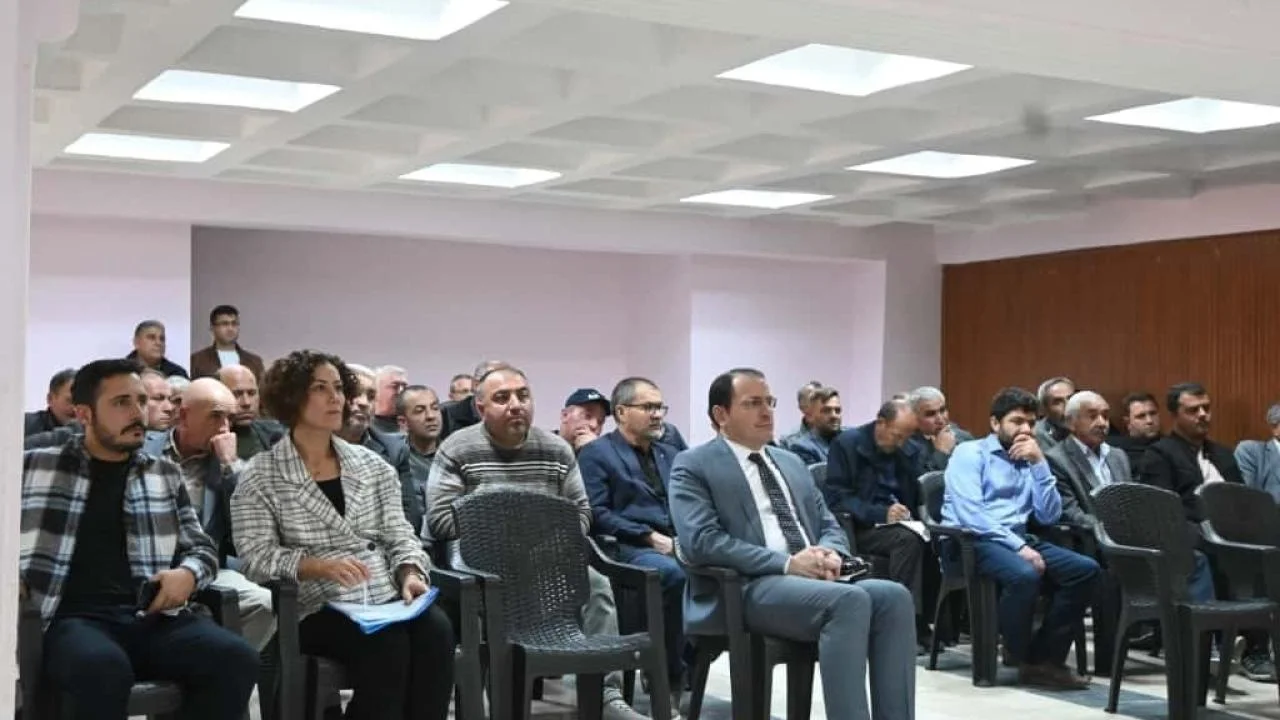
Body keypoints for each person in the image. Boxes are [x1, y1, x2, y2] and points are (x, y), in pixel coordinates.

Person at [670, 368, 916, 720]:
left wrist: (831, 552)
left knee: (893, 597)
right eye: (753, 403)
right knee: (849, 602)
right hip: (747, 585)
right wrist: (787, 563)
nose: (766, 412)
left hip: (810, 580)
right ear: (721, 414)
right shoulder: (694, 465)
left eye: (769, 402)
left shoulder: (790, 461)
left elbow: (828, 522)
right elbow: (701, 541)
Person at [21, 358, 258, 720]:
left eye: (141, 400)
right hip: (72, 619)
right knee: (102, 668)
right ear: (84, 414)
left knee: (236, 657)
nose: (138, 413)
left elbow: (202, 547)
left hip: (152, 617)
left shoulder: (163, 472)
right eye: (122, 403)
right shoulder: (36, 466)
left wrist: (189, 574)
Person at [230, 350, 456, 720]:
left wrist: (410, 572)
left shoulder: (372, 465)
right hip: (315, 605)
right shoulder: (261, 475)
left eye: (338, 387)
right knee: (388, 643)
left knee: (437, 631)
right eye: (320, 388)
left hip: (383, 594)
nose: (335, 397)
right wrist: (315, 565)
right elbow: (255, 557)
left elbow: (400, 535)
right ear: (291, 397)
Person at [942, 386, 1100, 689]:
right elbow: (972, 515)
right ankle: (1021, 654)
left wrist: (1040, 465)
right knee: (1024, 575)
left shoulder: (1030, 457)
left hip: (1018, 538)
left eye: (1031, 422)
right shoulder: (970, 453)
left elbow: (1049, 515)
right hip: (969, 541)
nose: (1025, 429)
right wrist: (1020, 547)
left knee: (1085, 571)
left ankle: (1043, 658)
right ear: (995, 423)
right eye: (1016, 421)